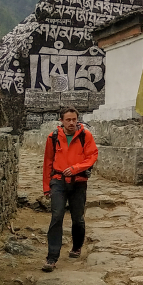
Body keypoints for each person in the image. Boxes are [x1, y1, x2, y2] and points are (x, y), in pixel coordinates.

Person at [42, 107, 98, 272]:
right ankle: (52, 257)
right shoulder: (52, 137)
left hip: (78, 181)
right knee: (57, 216)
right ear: (62, 121)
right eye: (68, 120)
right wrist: (46, 186)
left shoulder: (85, 135)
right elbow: (48, 162)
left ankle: (76, 246)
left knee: (77, 218)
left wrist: (76, 168)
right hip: (58, 181)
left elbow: (92, 155)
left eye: (74, 119)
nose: (72, 123)